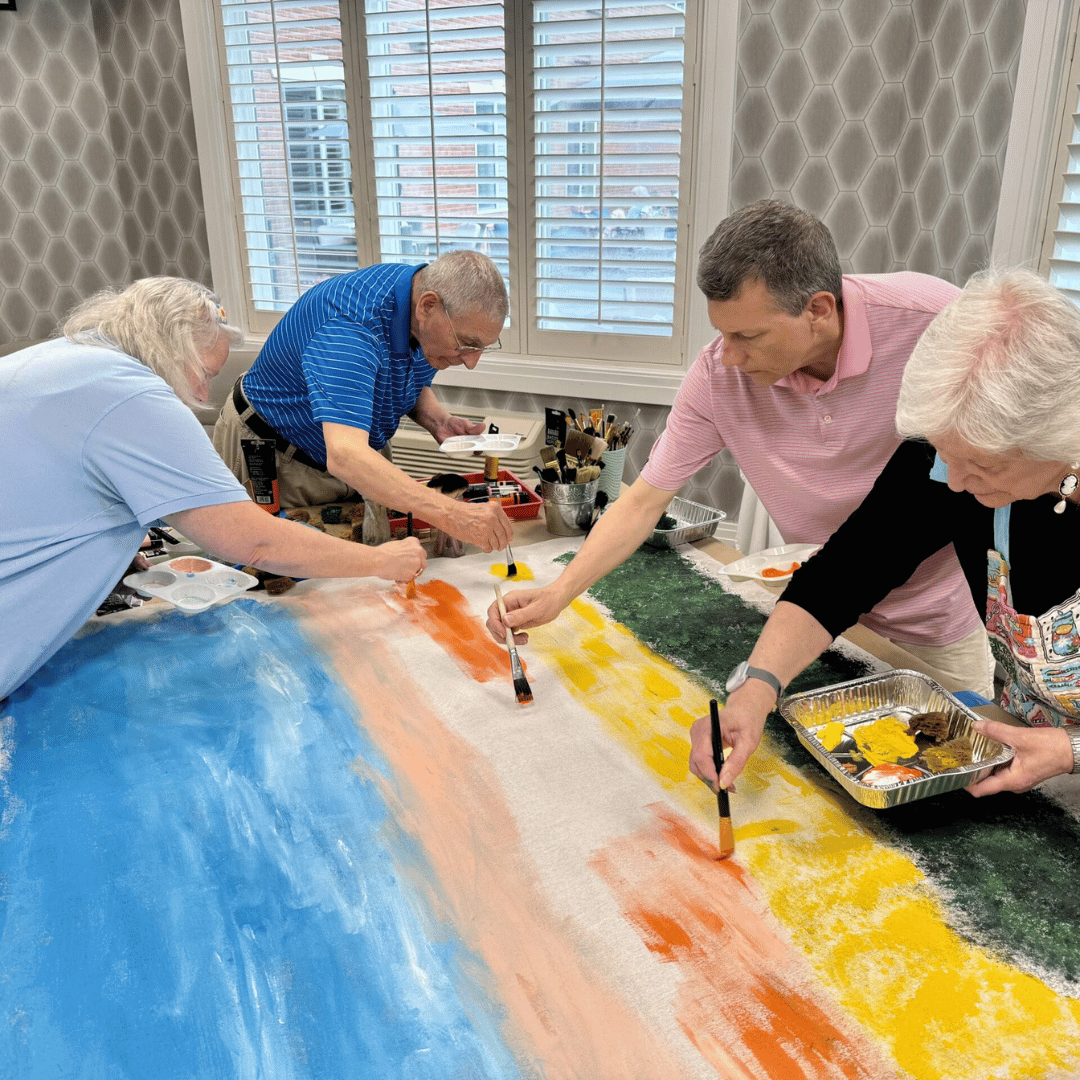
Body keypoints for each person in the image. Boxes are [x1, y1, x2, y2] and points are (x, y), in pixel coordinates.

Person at [488, 200, 994, 697]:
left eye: (747, 335)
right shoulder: (718, 376)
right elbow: (643, 501)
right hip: (811, 614)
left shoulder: (936, 323)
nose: (728, 356)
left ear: (818, 310)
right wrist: (559, 593)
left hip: (938, 624)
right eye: (721, 333)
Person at [687, 267, 1080, 797]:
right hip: (1025, 751)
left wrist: (1070, 749)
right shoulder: (951, 458)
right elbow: (844, 573)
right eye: (945, 454)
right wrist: (757, 686)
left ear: (1057, 439)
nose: (954, 481)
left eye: (979, 466)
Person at [0, 277, 425, 703]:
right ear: (169, 346)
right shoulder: (131, 394)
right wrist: (381, 560)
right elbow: (253, 541)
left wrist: (100, 545)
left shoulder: (64, 358)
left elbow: (40, 486)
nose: (204, 397)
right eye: (204, 374)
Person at [213, 249, 514, 552]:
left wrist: (437, 419)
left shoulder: (418, 303)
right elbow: (345, 455)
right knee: (291, 582)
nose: (471, 362)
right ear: (427, 306)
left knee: (369, 572)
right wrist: (450, 513)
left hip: (351, 452)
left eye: (482, 348)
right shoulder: (351, 328)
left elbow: (397, 372)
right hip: (279, 455)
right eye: (466, 344)